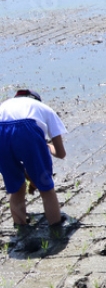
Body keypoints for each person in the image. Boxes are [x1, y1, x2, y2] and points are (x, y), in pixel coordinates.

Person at [0, 89, 68, 233]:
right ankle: (56, 230)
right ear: (36, 100)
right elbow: (61, 153)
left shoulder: (5, 105)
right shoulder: (45, 109)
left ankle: (21, 231)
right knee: (46, 188)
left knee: (16, 189)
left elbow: (17, 157)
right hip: (27, 128)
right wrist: (47, 146)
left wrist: (29, 178)